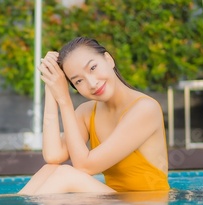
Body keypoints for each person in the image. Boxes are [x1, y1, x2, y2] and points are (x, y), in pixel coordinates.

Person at [19, 37, 170, 195]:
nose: (92, 83)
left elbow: (84, 166)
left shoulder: (145, 109)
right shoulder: (87, 112)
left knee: (66, 176)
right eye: (78, 81)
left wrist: (64, 100)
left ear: (108, 59)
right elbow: (53, 155)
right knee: (49, 170)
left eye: (93, 68)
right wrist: (51, 86)